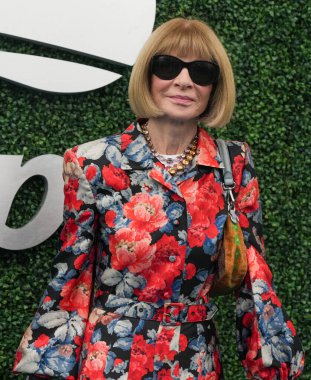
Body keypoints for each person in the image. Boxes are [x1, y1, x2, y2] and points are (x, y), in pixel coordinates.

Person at [13, 18, 304, 380]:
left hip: (195, 361)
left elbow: (253, 272)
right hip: (111, 361)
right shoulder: (92, 163)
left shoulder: (234, 163)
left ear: (214, 87)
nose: (184, 81)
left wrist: (271, 363)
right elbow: (73, 273)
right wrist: (49, 366)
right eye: (167, 66)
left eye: (201, 71)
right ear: (148, 75)